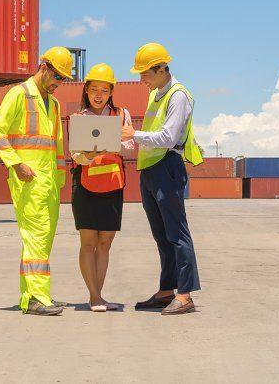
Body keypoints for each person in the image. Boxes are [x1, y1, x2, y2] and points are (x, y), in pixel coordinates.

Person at [0, 47, 72, 316]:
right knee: (36, 236)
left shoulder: (55, 104)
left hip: (48, 183)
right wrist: (15, 163)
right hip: (28, 180)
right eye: (57, 76)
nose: (59, 82)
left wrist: (59, 178)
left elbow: (57, 146)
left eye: (64, 79)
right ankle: (38, 297)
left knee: (41, 240)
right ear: (44, 67)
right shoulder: (18, 94)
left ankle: (29, 297)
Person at [121, 43, 204, 316]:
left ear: (161, 69)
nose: (141, 79)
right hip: (150, 168)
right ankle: (167, 289)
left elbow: (167, 138)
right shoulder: (156, 94)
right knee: (162, 236)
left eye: (144, 73)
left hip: (167, 167)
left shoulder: (178, 96)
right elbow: (151, 135)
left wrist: (133, 135)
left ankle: (185, 294)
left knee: (177, 234)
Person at [69, 63, 135, 312]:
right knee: (88, 242)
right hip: (85, 186)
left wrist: (112, 144)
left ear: (111, 92)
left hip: (112, 185)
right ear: (86, 90)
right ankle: (94, 296)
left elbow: (130, 146)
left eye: (104, 90)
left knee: (105, 243)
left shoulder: (121, 114)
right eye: (94, 89)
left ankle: (100, 295)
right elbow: (75, 155)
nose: (99, 95)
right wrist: (87, 154)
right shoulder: (78, 118)